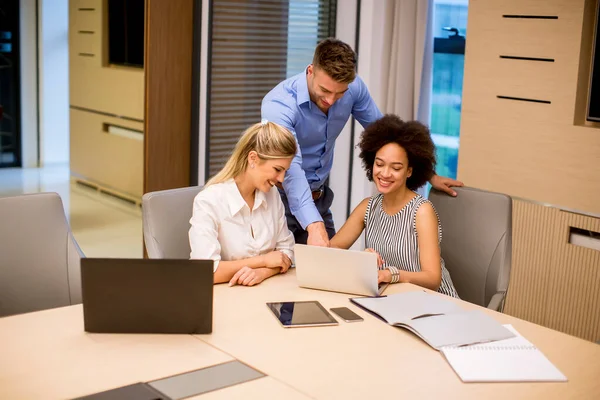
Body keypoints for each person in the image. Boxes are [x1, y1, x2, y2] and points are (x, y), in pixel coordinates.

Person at [262, 38, 463, 247]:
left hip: (318, 198)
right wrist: (314, 225)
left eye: (339, 93)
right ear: (311, 71)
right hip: (277, 200)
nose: (331, 100)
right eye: (325, 91)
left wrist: (429, 174)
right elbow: (291, 170)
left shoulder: (354, 89)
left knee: (327, 272)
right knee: (277, 271)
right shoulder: (279, 105)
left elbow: (387, 136)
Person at [330, 115, 459, 297]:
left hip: (435, 303)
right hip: (393, 299)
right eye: (379, 164)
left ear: (409, 171)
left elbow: (432, 279)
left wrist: (392, 274)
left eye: (396, 168)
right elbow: (331, 251)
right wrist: (361, 261)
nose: (385, 173)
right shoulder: (368, 207)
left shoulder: (422, 211)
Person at [189, 121, 296, 287]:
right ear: (253, 158)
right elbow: (205, 272)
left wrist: (263, 272)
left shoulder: (272, 195)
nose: (281, 179)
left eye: (285, 171)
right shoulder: (209, 201)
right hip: (225, 298)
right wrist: (264, 260)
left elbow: (286, 251)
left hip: (265, 292)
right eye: (277, 169)